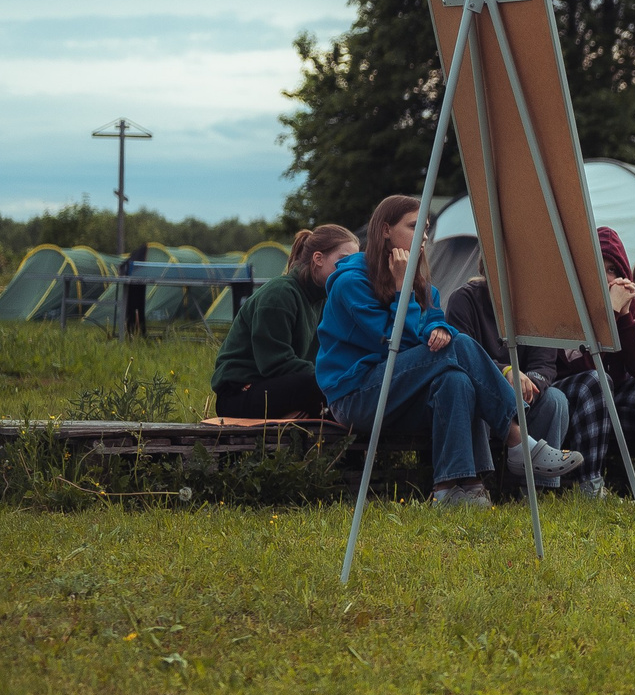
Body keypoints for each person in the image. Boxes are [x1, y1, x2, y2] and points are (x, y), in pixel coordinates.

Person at [315, 195, 580, 506]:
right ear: (385, 230)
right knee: (460, 346)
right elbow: (395, 342)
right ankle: (518, 440)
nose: (424, 236)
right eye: (414, 226)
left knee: (456, 380)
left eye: (426, 228)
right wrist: (402, 289)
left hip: (400, 392)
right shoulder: (351, 283)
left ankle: (457, 488)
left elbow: (434, 324)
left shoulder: (424, 287)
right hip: (357, 395)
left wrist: (439, 328)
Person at [549, 227, 635, 502]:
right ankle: (590, 485)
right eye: (598, 268)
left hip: (614, 400)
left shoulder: (628, 301)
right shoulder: (569, 301)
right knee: (596, 380)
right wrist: (609, 312)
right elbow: (583, 365)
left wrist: (624, 315)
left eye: (612, 270)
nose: (606, 277)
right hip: (572, 397)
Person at [442, 271, 575, 489]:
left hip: (524, 396)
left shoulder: (538, 306)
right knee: (465, 386)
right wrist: (506, 373)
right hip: (481, 392)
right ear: (486, 270)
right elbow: (461, 355)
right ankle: (476, 483)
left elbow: (544, 365)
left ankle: (538, 489)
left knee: (555, 399)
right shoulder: (464, 299)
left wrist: (527, 385)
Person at [213, 224, 356, 419]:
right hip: (240, 393)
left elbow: (331, 352)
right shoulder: (279, 294)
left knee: (352, 386)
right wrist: (330, 378)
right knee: (319, 385)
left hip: (282, 385)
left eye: (354, 262)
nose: (349, 269)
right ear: (318, 259)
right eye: (344, 260)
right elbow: (274, 363)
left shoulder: (323, 300)